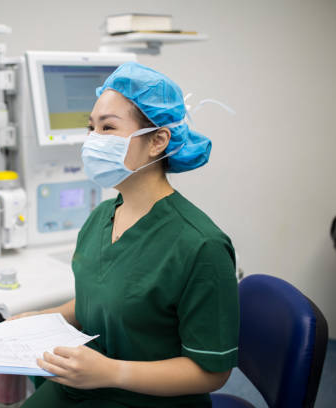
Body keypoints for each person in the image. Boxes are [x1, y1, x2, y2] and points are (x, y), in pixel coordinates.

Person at [18, 61, 239, 407]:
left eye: (108, 128)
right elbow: (102, 299)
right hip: (84, 385)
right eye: (91, 127)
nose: (92, 140)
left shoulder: (200, 246)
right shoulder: (101, 218)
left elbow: (212, 372)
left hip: (147, 399)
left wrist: (111, 373)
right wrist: (43, 318)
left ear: (157, 141)